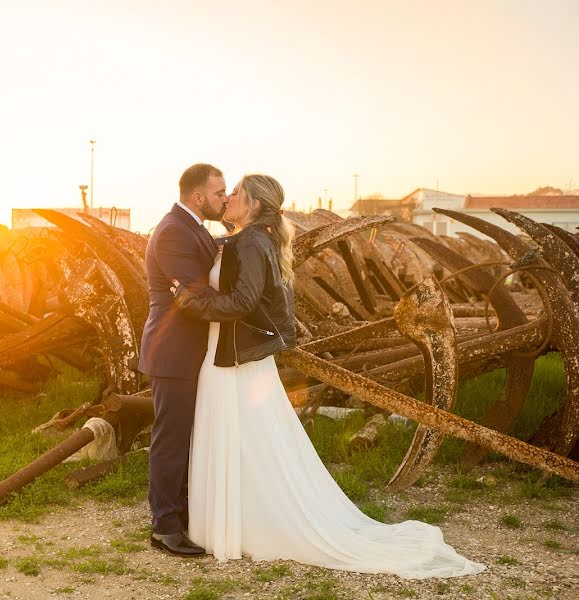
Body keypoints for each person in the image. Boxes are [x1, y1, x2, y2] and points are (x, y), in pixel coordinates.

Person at [171, 173, 486, 579]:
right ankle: (240, 521)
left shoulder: (251, 241)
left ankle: (239, 524)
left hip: (233, 359)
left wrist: (189, 301)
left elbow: (245, 301)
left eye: (236, 193)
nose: (228, 197)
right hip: (232, 356)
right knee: (248, 442)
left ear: (252, 205)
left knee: (240, 438)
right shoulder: (250, 239)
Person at [138, 163, 227, 556]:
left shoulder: (196, 228)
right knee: (171, 440)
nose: (224, 199)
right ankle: (165, 527)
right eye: (219, 193)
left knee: (189, 436)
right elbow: (194, 296)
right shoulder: (174, 231)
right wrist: (245, 307)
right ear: (198, 197)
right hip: (173, 350)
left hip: (192, 352)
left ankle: (184, 514)